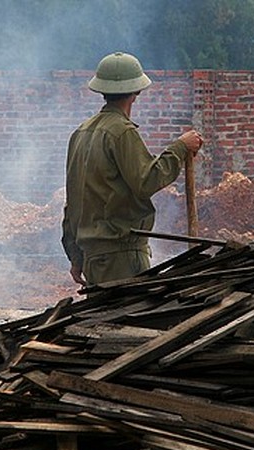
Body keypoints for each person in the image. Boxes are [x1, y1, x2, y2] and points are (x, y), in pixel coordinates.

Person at [62, 51, 204, 286]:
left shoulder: (80, 133)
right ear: (136, 93)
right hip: (122, 256)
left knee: (101, 321)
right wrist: (180, 148)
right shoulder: (121, 132)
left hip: (93, 258)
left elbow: (74, 202)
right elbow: (147, 181)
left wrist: (76, 256)